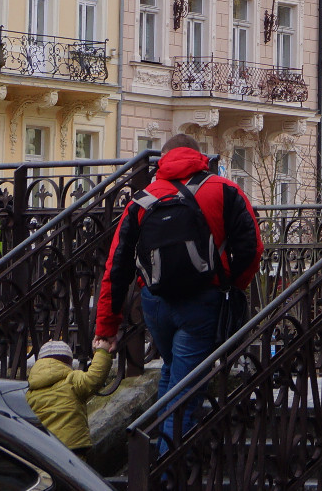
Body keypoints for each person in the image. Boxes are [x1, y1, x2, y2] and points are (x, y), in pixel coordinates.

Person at [96, 135, 261, 438]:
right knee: (184, 393)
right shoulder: (225, 190)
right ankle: (164, 474)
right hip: (202, 300)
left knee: (172, 370)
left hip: (155, 302)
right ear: (200, 157)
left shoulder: (141, 199)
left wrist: (108, 325)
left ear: (164, 158)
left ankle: (151, 452)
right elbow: (252, 249)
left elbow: (116, 265)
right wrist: (231, 284)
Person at [26, 338, 113, 465]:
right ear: (67, 363)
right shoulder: (72, 380)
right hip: (72, 449)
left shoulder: (30, 391)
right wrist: (102, 352)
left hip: (42, 450)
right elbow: (94, 378)